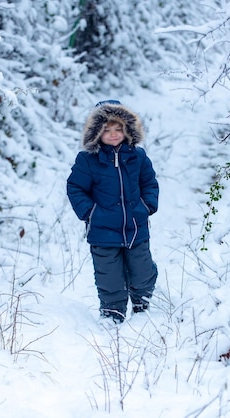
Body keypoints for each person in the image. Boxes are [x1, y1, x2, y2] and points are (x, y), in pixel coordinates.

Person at [67, 100, 159, 323]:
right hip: (102, 232)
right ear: (96, 133)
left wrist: (146, 206)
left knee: (143, 271)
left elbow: (149, 183)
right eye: (107, 130)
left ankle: (142, 307)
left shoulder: (138, 156)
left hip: (136, 228)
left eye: (118, 128)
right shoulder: (88, 160)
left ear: (128, 129)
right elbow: (75, 187)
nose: (113, 134)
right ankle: (112, 315)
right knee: (109, 278)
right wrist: (91, 213)